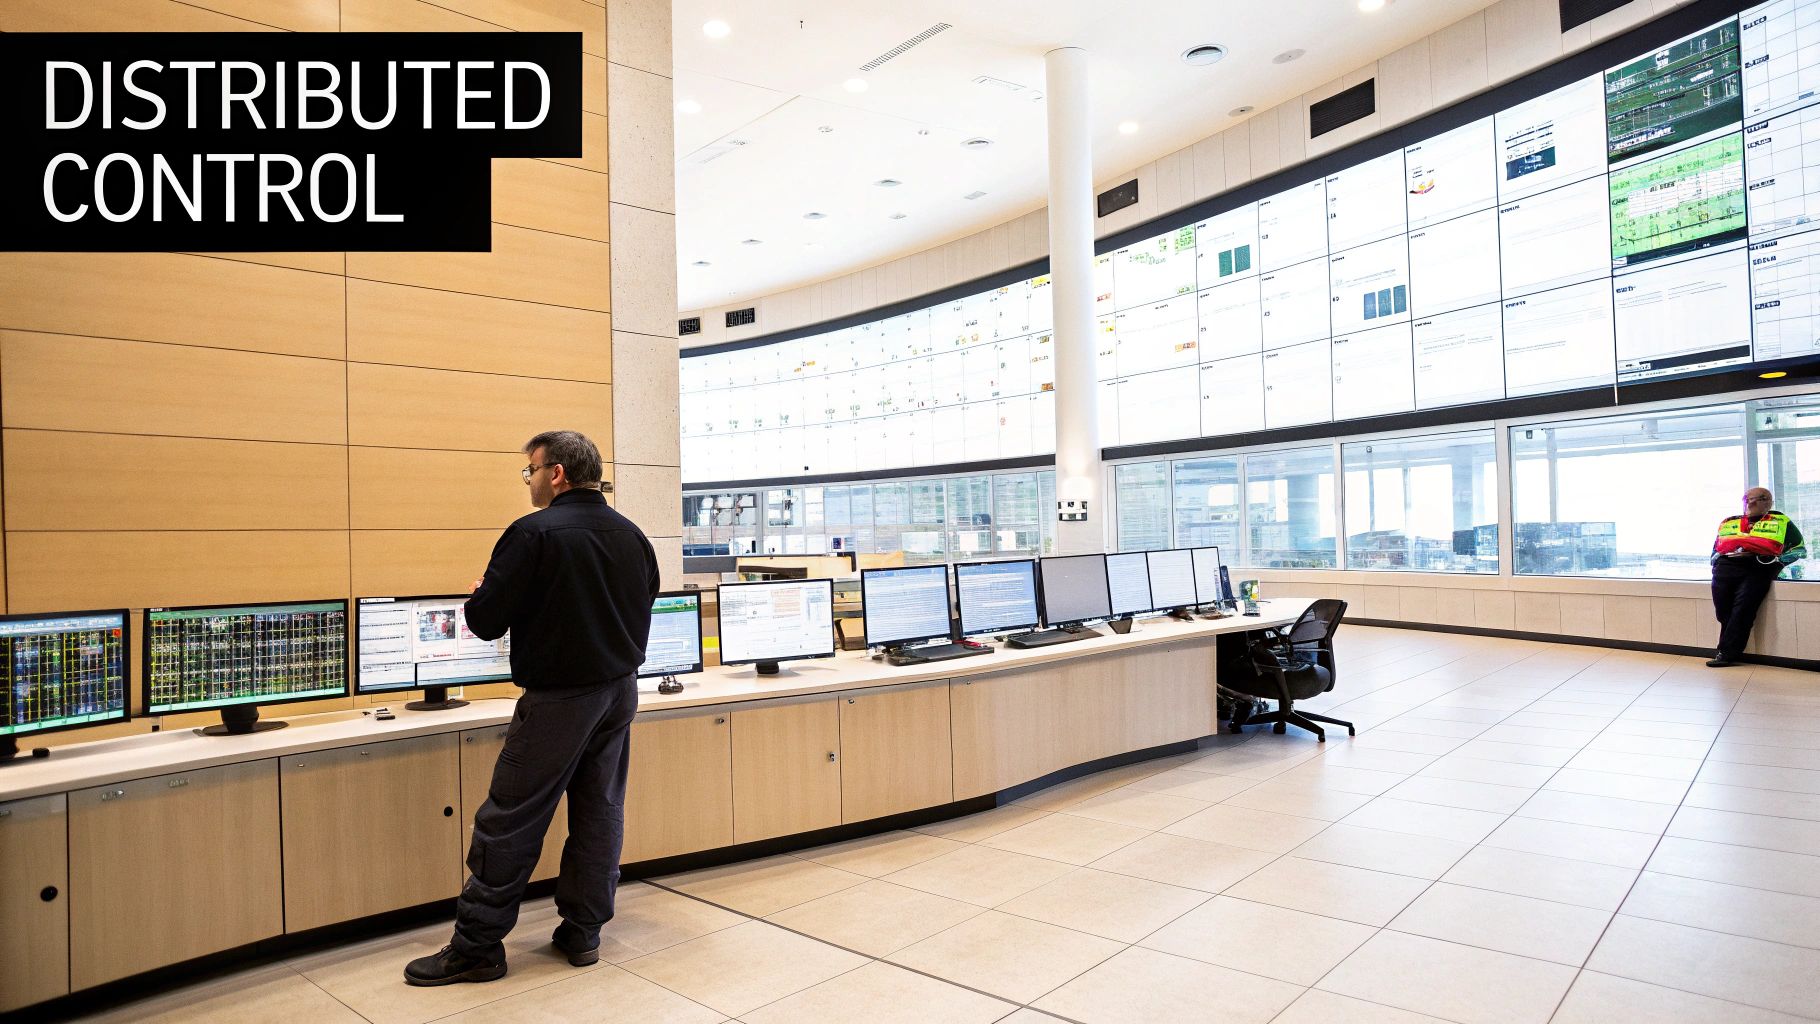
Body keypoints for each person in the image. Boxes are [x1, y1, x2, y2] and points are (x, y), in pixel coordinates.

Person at [405, 430, 661, 986]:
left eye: (532, 471)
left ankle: (476, 947)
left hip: (558, 701)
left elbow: (484, 621)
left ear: (557, 474)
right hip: (620, 693)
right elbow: (643, 601)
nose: (530, 482)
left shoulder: (532, 533)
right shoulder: (633, 536)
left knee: (509, 821)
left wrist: (482, 594)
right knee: (599, 812)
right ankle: (583, 932)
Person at [1707, 487, 1805, 668]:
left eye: (1760, 498)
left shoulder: (1781, 521)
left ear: (1770, 502)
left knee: (1743, 610)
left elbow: (1798, 549)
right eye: (1748, 498)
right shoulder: (1729, 522)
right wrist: (1717, 563)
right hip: (1726, 568)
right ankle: (1727, 649)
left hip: (1758, 568)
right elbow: (1716, 548)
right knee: (1723, 612)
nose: (1752, 502)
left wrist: (1776, 562)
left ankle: (1726, 653)